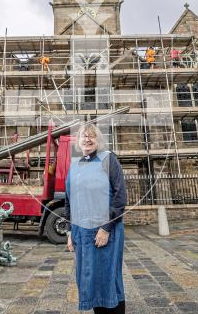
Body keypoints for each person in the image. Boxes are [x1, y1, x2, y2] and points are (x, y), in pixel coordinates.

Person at [64, 123, 127, 313]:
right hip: (81, 231)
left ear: (98, 140)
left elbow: (120, 198)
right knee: (88, 279)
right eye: (84, 136)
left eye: (92, 136)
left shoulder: (108, 159)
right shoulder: (74, 166)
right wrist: (69, 232)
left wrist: (105, 228)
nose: (88, 139)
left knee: (107, 278)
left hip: (106, 230)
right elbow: (69, 201)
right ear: (78, 141)